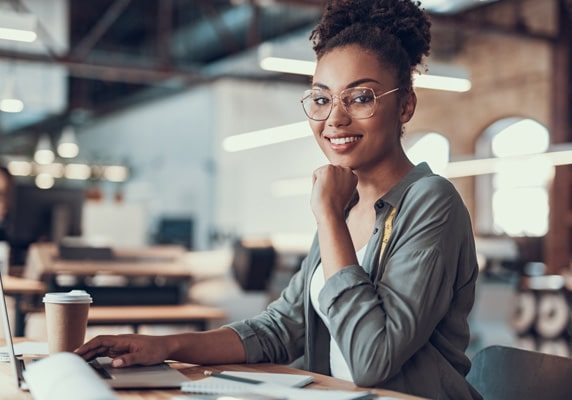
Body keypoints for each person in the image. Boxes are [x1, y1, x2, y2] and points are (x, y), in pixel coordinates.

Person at [76, 0, 481, 398]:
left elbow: (371, 359)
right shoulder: (343, 206)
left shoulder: (430, 202)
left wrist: (327, 216)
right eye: (322, 99)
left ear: (405, 105)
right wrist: (166, 346)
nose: (334, 119)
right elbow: (283, 327)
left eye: (360, 98)